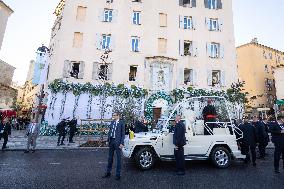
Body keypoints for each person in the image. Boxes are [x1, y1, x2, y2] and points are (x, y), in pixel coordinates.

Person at [102, 112, 125, 180]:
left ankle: (118, 174)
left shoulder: (121, 123)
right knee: (110, 158)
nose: (113, 116)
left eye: (114, 115)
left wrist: (122, 143)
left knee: (118, 159)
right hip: (111, 141)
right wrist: (107, 140)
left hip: (118, 142)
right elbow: (110, 132)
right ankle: (108, 172)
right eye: (113, 115)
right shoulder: (112, 122)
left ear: (118, 116)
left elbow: (123, 134)